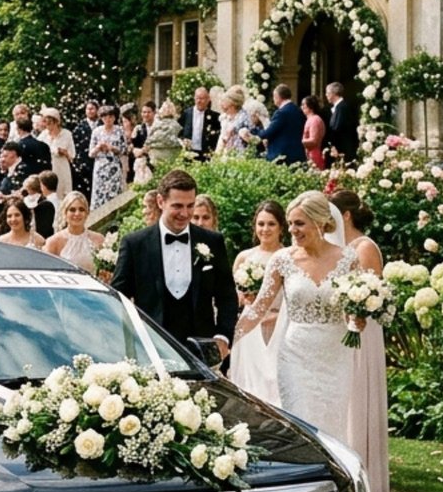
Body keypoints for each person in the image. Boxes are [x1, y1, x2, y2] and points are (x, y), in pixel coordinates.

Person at [233, 191, 356, 430]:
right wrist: (229, 339)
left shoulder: (348, 259)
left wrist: (356, 320)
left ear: (320, 222)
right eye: (289, 223)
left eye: (299, 223)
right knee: (301, 422)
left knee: (333, 424)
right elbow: (258, 309)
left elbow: (352, 309)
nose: (292, 230)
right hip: (295, 356)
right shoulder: (282, 260)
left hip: (336, 357)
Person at [111, 169, 238, 355]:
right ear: (160, 202)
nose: (184, 213)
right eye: (177, 206)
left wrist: (223, 336)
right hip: (150, 348)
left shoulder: (212, 241)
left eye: (190, 206)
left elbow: (226, 295)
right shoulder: (135, 244)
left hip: (201, 349)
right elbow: (118, 297)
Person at [333, 189, 389, 492]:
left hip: (361, 330)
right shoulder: (338, 248)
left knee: (358, 393)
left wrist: (356, 309)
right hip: (341, 329)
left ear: (345, 215)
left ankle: (367, 478)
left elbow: (374, 293)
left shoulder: (364, 247)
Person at [228, 200, 286, 404]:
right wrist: (245, 297)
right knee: (248, 384)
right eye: (261, 224)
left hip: (278, 326)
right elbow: (234, 297)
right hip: (249, 328)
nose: (265, 229)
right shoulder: (245, 257)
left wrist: (275, 317)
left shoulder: (287, 257)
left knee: (274, 385)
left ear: (281, 227)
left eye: (271, 224)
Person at [44, 191, 104, 275]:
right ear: (65, 213)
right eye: (72, 210)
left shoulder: (99, 239)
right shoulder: (53, 242)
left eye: (81, 209)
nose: (77, 213)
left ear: (87, 213)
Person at [249, 85, 307, 164]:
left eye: (274, 97)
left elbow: (269, 132)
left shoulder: (281, 113)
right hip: (297, 153)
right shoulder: (298, 110)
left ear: (277, 97)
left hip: (282, 154)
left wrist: (254, 131)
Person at [88, 105, 127, 207]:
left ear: (114, 117)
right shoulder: (96, 131)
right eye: (105, 117)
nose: (108, 119)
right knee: (99, 195)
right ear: (101, 118)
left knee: (114, 195)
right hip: (100, 167)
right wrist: (98, 147)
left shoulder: (119, 130)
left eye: (110, 116)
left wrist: (112, 148)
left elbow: (124, 150)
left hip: (114, 166)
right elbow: (90, 153)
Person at [37, 108, 75, 198]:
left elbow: (72, 155)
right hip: (48, 166)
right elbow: (38, 148)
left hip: (61, 166)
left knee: (63, 191)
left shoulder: (66, 134)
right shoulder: (43, 135)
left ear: (56, 122)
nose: (48, 126)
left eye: (50, 123)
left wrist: (64, 153)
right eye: (46, 123)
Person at [3, 115, 51, 185]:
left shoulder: (19, 146)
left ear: (19, 130)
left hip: (26, 179)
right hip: (43, 179)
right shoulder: (43, 145)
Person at [325, 81, 360, 165]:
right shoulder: (340, 107)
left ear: (334, 93)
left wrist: (334, 146)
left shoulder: (342, 108)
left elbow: (337, 129)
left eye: (327, 92)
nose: (326, 95)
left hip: (343, 150)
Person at [145, 99, 184, 175]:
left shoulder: (156, 124)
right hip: (171, 157)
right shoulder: (176, 126)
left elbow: (148, 140)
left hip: (156, 156)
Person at [181, 87, 216, 160]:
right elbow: (180, 131)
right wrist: (183, 140)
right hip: (189, 153)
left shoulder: (214, 116)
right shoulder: (187, 113)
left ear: (208, 100)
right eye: (197, 98)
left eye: (202, 98)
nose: (198, 101)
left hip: (205, 154)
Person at [216, 87, 250, 154]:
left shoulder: (243, 116)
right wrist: (217, 153)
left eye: (227, 108)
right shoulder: (225, 117)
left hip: (239, 151)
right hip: (226, 150)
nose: (225, 111)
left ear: (233, 106)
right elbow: (222, 136)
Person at [301, 94, 329, 170]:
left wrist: (300, 141)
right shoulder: (311, 119)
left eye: (303, 104)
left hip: (314, 155)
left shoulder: (314, 120)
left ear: (310, 106)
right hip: (310, 154)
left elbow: (314, 140)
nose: (302, 107)